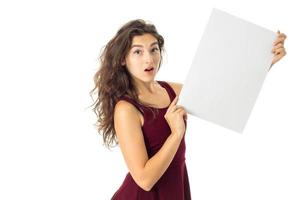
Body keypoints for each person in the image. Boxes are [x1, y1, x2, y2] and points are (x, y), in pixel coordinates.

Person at [89, 19, 287, 200]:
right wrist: (176, 134)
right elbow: (144, 180)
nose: (149, 59)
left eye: (154, 49)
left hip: (176, 189)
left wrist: (265, 61)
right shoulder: (126, 109)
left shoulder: (172, 91)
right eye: (138, 51)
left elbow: (224, 95)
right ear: (123, 59)